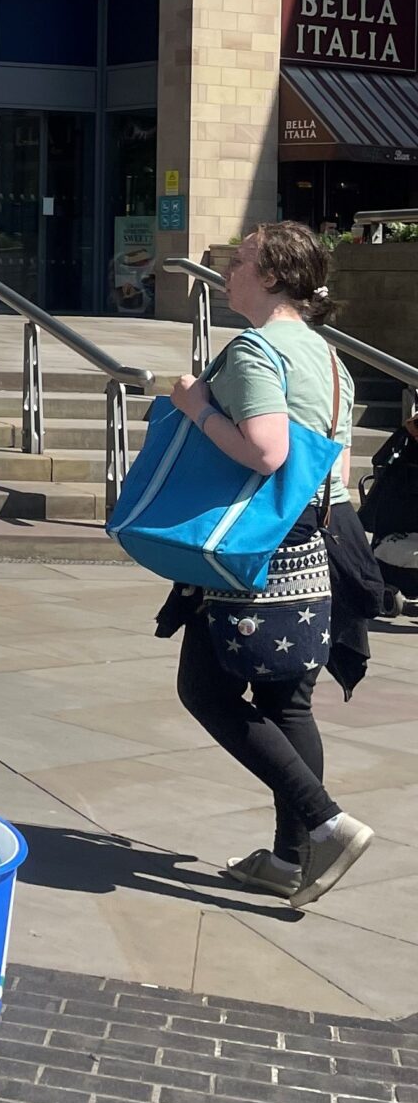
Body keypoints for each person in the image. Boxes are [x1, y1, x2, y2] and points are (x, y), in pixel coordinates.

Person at [163, 221, 375, 907]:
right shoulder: (328, 358)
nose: (228, 269)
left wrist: (196, 406)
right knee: (288, 702)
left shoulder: (257, 350)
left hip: (259, 555)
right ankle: (291, 859)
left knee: (204, 687)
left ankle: (326, 822)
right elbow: (335, 466)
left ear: (275, 276)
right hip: (324, 546)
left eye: (243, 260)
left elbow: (268, 452)